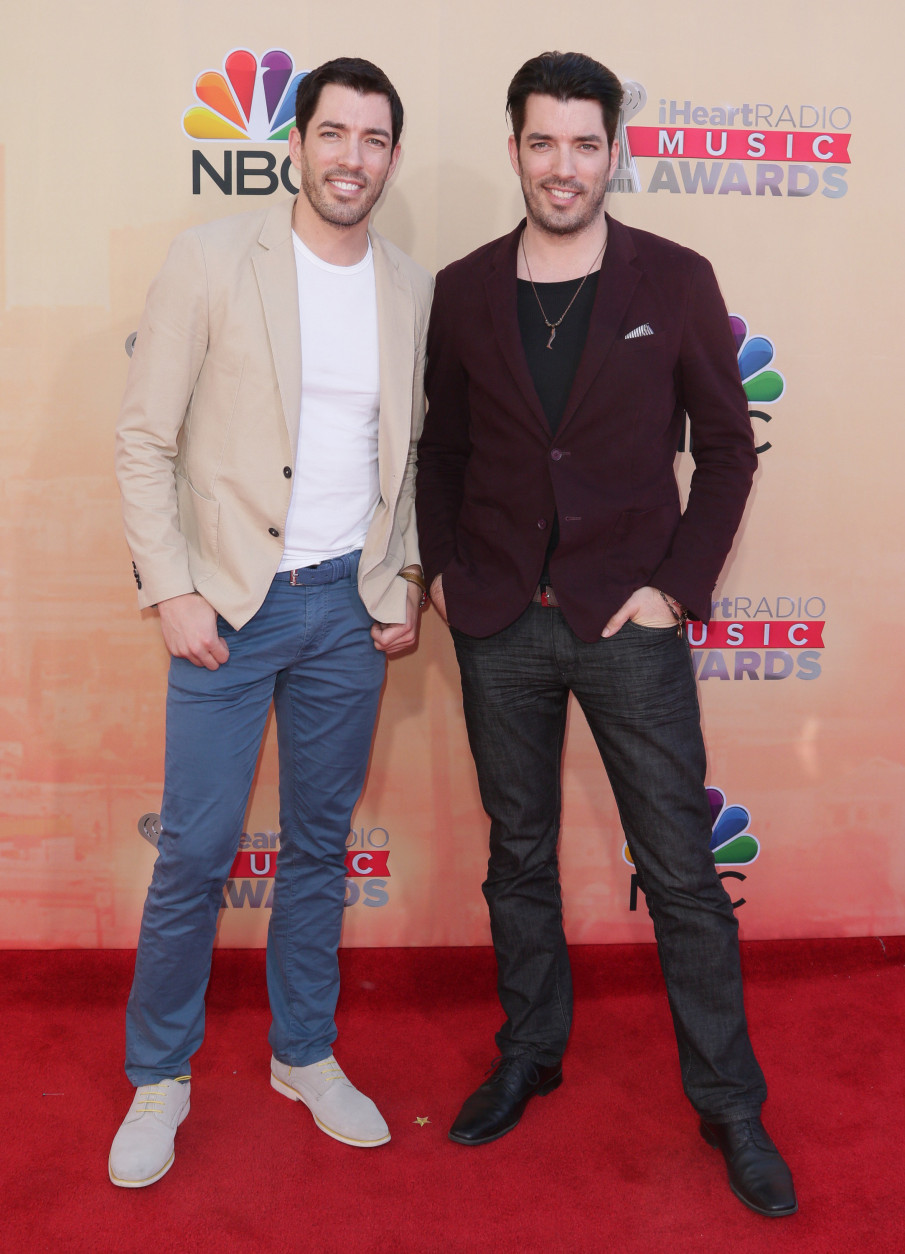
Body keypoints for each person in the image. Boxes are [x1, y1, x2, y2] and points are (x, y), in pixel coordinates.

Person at [415, 51, 796, 1218]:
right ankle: (529, 1051)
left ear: (613, 150)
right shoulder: (465, 285)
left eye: (585, 143)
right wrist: (439, 570)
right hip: (497, 626)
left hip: (627, 622)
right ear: (515, 147)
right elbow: (446, 447)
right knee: (516, 855)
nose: (563, 165)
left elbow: (727, 449)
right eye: (542, 142)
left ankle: (729, 1104)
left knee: (679, 872)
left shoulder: (672, 279)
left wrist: (675, 589)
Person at [111, 57, 432, 1187]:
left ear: (391, 156)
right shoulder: (211, 260)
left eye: (374, 139)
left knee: (314, 848)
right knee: (194, 853)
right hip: (226, 611)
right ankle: (160, 1075)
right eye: (334, 133)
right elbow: (145, 438)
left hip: (348, 611)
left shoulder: (408, 283)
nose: (352, 157)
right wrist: (170, 585)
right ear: (296, 145)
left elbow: (412, 454)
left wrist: (406, 578)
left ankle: (303, 1052)